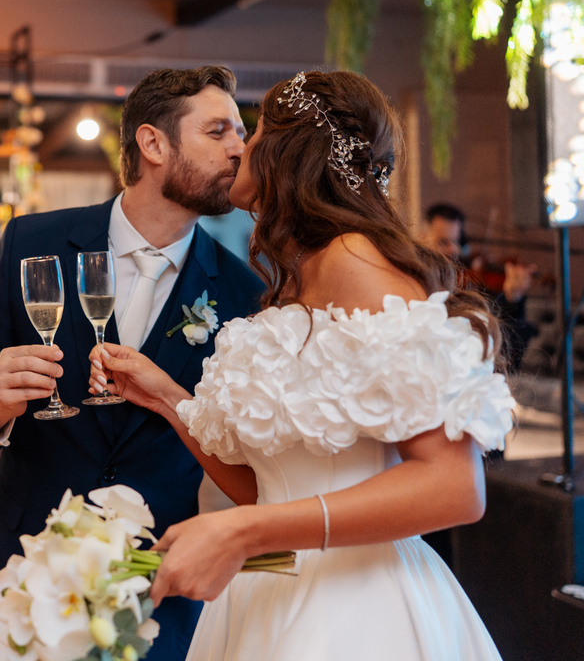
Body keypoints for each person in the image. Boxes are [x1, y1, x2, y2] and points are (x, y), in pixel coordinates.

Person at [90, 70, 515, 660]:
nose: (242, 147)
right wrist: (166, 397)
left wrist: (245, 533)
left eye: (255, 130)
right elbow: (270, 484)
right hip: (275, 589)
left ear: (290, 153)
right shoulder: (303, 274)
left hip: (357, 608)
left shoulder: (356, 263)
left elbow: (454, 487)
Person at [0, 66, 265, 661]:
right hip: (23, 580)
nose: (240, 148)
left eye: (241, 131)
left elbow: (243, 451)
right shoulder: (34, 244)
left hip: (158, 592)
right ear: (154, 144)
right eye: (218, 131)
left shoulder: (244, 293)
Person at [420, 203, 538, 373]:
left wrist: (513, 301)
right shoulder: (415, 285)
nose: (453, 250)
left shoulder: (473, 289)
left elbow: (507, 357)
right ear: (422, 238)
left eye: (456, 242)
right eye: (443, 242)